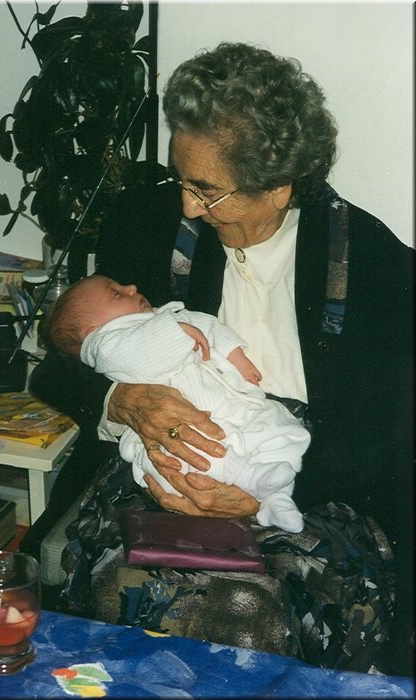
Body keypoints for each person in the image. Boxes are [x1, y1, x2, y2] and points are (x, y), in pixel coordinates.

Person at [28, 42, 413, 675]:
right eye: (182, 179)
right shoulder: (146, 222)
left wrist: (257, 495)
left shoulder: (374, 265)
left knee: (242, 614)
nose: (186, 205)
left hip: (310, 485)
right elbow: (60, 361)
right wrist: (119, 400)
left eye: (205, 190)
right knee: (126, 592)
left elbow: (389, 440)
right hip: (157, 478)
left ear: (278, 187)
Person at [46, 275, 311, 532]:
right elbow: (122, 354)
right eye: (116, 293)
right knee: (190, 457)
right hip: (183, 421)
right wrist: (174, 331)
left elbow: (208, 325)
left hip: (232, 405)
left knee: (281, 427)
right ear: (93, 332)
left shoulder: (164, 315)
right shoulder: (105, 343)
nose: (132, 286)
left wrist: (235, 354)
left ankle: (276, 499)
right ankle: (250, 479)